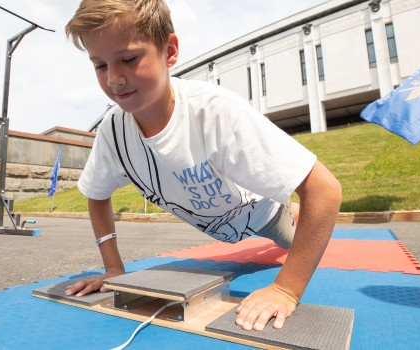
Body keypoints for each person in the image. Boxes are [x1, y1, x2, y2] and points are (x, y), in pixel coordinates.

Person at [64, 0, 342, 332]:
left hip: (262, 213)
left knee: (296, 239)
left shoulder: (215, 112)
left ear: (169, 50)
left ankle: (291, 211)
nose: (114, 79)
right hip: (219, 225)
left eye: (128, 59)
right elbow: (96, 194)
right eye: (99, 65)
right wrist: (113, 268)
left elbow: (325, 190)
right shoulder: (113, 132)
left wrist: (285, 289)